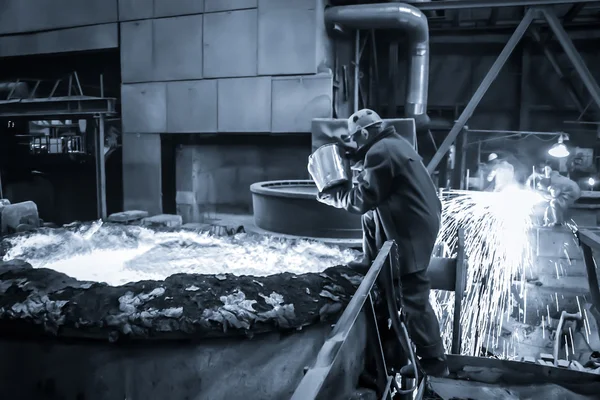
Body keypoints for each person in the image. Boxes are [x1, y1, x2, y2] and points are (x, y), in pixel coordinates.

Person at [314, 108, 448, 377]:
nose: (354, 144)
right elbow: (376, 189)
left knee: (412, 294)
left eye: (355, 139)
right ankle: (369, 261)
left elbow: (362, 198)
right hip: (418, 219)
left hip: (409, 230)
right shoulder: (395, 143)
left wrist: (331, 194)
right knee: (371, 218)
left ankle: (434, 362)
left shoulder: (381, 152)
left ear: (364, 132)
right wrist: (355, 158)